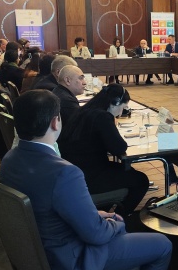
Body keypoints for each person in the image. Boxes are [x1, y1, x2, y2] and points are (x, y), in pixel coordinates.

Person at [0, 90, 171, 270]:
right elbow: (96, 235)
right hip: (69, 265)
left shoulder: (9, 160)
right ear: (55, 122)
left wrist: (96, 215)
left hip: (33, 259)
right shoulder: (64, 173)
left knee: (112, 226)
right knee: (163, 245)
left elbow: (49, 209)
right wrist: (115, 222)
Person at [59, 84, 150, 216]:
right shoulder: (102, 116)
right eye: (123, 107)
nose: (121, 113)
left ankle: (104, 214)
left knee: (130, 172)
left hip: (74, 172)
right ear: (115, 103)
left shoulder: (84, 111)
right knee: (141, 180)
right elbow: (119, 147)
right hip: (89, 176)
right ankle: (119, 218)